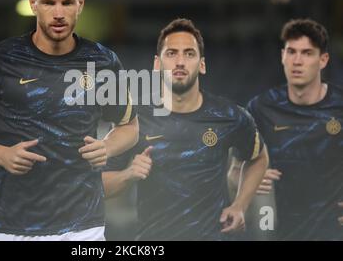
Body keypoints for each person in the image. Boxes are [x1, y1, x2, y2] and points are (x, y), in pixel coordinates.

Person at [0, 0, 138, 241]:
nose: (59, 13)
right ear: (33, 3)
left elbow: (130, 126)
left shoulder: (103, 63)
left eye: (67, 2)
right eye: (49, 2)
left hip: (84, 226)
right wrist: (1, 154)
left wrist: (108, 147)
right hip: (11, 226)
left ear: (81, 3)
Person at [102, 18, 268, 240]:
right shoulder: (133, 120)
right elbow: (99, 185)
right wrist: (128, 174)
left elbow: (258, 157)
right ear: (157, 64)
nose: (180, 62)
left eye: (189, 54)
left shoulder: (229, 116)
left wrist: (240, 205)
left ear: (202, 64)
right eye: (171, 53)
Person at [246, 18, 343, 240]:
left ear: (323, 60)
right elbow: (232, 170)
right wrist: (248, 178)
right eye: (291, 52)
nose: (297, 61)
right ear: (282, 56)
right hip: (280, 232)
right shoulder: (261, 108)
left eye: (307, 53)